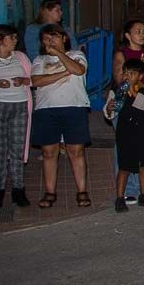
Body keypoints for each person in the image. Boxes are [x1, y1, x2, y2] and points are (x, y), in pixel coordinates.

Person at [30, 24, 91, 208]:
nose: (51, 41)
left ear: (64, 38)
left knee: (76, 151)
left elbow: (79, 70)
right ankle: (50, 192)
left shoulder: (76, 55)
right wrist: (65, 72)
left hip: (74, 107)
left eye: (54, 37)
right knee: (49, 152)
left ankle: (82, 191)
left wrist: (59, 54)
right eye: (47, 38)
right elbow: (37, 81)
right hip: (46, 109)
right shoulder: (39, 60)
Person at [0, 24, 33, 209]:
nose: (15, 40)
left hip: (19, 106)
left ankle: (19, 191)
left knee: (17, 151)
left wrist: (24, 80)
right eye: (12, 37)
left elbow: (33, 78)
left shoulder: (21, 57)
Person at [112, 20, 144, 202]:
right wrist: (133, 76)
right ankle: (129, 189)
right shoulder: (121, 54)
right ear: (127, 35)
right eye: (137, 31)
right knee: (126, 147)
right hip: (126, 104)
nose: (142, 35)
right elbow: (120, 82)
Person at [102, 58, 144, 212]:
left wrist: (134, 93)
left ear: (140, 76)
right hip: (126, 133)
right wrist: (109, 108)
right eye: (126, 73)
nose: (128, 76)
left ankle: (143, 194)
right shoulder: (116, 91)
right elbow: (109, 113)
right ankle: (120, 198)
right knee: (124, 167)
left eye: (132, 73)